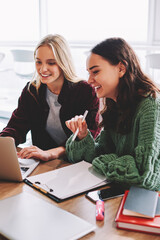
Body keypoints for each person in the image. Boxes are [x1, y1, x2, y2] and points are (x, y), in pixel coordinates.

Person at [65, 37, 160, 191]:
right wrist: (82, 136)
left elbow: (145, 174)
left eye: (95, 71)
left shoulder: (151, 106)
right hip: (120, 190)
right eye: (88, 73)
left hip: (145, 199)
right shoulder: (114, 105)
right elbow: (100, 154)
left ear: (121, 69)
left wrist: (101, 162)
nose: (89, 80)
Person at [0, 34, 100, 161]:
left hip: (75, 164)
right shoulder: (32, 91)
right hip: (42, 164)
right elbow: (16, 126)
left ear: (63, 63)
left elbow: (91, 136)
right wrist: (4, 142)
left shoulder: (85, 91)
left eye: (51, 63)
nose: (42, 69)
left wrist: (51, 153)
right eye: (38, 62)